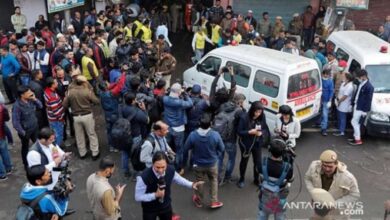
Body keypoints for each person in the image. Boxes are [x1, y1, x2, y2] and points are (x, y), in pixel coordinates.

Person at [135, 151, 204, 220]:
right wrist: (155, 195)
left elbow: (178, 179)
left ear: (167, 164)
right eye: (157, 167)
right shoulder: (143, 177)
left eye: (163, 167)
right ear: (152, 164)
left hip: (165, 206)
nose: (160, 170)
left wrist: (191, 184)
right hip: (149, 209)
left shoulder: (170, 170)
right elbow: (138, 197)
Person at [184, 113, 224, 209]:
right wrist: (216, 155)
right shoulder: (215, 135)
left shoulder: (193, 135)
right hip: (212, 163)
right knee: (214, 180)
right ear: (210, 123)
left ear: (199, 123)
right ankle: (214, 201)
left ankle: (199, 200)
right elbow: (222, 148)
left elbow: (186, 148)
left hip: (198, 164)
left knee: (199, 181)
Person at [305, 150, 360, 218]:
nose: (327, 169)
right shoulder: (313, 167)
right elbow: (308, 178)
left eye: (330, 166)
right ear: (321, 163)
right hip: (319, 208)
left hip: (337, 213)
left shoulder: (348, 178)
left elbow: (354, 195)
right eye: (324, 166)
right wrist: (313, 192)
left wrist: (335, 204)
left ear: (336, 164)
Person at [62, 75, 100, 160]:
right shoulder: (87, 91)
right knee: (91, 134)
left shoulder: (70, 92)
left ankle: (82, 153)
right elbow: (96, 101)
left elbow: (64, 105)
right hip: (87, 115)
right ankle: (95, 152)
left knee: (79, 136)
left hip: (76, 117)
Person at [236, 101, 270, 188]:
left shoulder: (262, 117)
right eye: (256, 112)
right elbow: (239, 132)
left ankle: (256, 179)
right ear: (252, 110)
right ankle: (241, 178)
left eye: (260, 112)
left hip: (257, 143)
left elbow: (265, 128)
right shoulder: (244, 118)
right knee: (244, 162)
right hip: (246, 144)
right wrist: (249, 132)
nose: (258, 114)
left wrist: (261, 133)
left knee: (258, 162)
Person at [258, 139, 293, 220]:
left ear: (269, 150)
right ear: (283, 152)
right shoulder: (287, 167)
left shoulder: (262, 163)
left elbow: (259, 173)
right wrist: (290, 160)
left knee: (262, 214)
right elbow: (290, 178)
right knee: (280, 215)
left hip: (265, 197)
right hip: (280, 197)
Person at [163, 83, 193, 175]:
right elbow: (190, 103)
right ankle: (178, 169)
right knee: (179, 150)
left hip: (168, 127)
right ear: (178, 92)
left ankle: (166, 164)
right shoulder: (179, 102)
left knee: (168, 147)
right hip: (178, 129)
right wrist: (185, 94)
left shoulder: (165, 99)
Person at [12, 86, 43, 168]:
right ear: (22, 95)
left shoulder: (31, 100)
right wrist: (23, 133)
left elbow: (41, 106)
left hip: (34, 127)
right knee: (25, 147)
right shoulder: (17, 106)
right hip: (26, 131)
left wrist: (35, 99)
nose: (31, 93)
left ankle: (39, 160)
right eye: (28, 92)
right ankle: (26, 164)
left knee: (38, 144)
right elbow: (15, 122)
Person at [349, 69, 374, 146]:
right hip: (357, 105)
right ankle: (356, 137)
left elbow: (368, 100)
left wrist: (365, 111)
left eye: (359, 77)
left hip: (361, 108)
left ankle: (357, 139)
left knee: (354, 122)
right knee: (356, 123)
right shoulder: (362, 83)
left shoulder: (369, 87)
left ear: (364, 76)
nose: (358, 79)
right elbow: (357, 94)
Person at [44, 77, 65, 146]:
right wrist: (61, 118)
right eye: (56, 82)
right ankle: (57, 150)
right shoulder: (52, 96)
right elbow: (55, 111)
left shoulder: (47, 91)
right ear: (52, 85)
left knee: (54, 134)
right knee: (58, 135)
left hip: (51, 118)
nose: (57, 83)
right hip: (56, 119)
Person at [0, 101, 12, 181]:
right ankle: (8, 168)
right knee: (4, 151)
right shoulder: (2, 107)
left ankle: (2, 174)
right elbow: (7, 119)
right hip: (1, 133)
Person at [319, 69, 334, 136]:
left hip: (326, 100)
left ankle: (324, 128)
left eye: (327, 74)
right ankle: (319, 123)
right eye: (325, 74)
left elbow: (331, 91)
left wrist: (330, 100)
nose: (326, 75)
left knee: (325, 114)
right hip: (319, 99)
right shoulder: (320, 80)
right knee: (320, 113)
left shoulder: (330, 81)